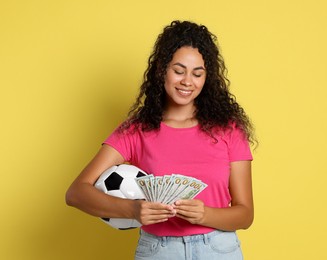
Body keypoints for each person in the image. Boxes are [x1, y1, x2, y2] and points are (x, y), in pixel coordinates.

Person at [66, 20, 256, 260]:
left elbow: (245, 214)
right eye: (178, 71)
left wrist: (205, 214)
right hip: (159, 251)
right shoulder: (136, 131)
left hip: (219, 249)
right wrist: (133, 209)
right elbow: (76, 193)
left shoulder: (229, 130)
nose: (188, 81)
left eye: (197, 74)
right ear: (161, 70)